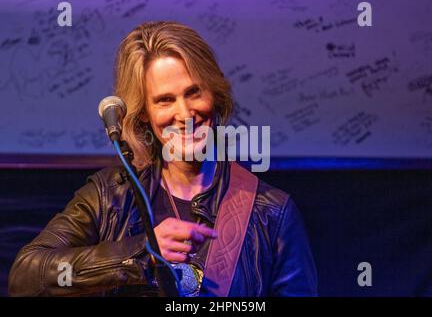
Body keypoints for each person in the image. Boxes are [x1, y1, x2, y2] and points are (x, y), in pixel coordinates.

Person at [8, 21, 317, 297]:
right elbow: (25, 276)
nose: (185, 114)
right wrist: (140, 252)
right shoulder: (109, 196)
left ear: (216, 95)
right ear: (144, 112)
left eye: (194, 92)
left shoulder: (272, 213)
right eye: (165, 100)